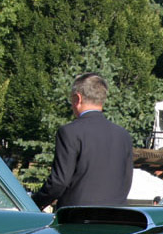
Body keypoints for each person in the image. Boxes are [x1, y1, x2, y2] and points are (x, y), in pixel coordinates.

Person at [32, 73, 133, 210]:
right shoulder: (123, 135)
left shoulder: (70, 132)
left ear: (77, 98)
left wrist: (34, 202)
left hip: (77, 219)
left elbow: (59, 182)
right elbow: (126, 181)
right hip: (116, 218)